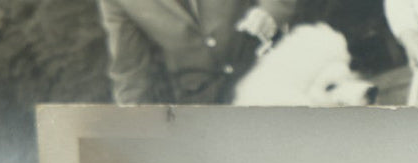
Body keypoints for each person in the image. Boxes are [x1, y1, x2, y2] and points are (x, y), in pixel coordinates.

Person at [98, 0, 299, 104]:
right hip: (201, 102)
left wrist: (271, 12)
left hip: (265, 71)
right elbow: (131, 71)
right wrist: (132, 128)